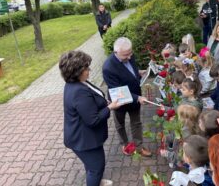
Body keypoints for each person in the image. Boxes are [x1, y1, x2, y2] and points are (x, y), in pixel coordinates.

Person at [59, 50, 121, 186]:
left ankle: (95, 180)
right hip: (84, 140)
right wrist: (110, 107)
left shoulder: (78, 83)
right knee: (96, 168)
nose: (89, 70)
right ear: (77, 71)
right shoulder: (79, 91)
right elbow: (93, 120)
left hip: (82, 136)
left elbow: (93, 99)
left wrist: (105, 103)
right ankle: (95, 180)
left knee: (91, 165)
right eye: (86, 68)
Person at [102, 37, 152, 157]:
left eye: (130, 53)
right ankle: (124, 144)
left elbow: (130, 70)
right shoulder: (108, 67)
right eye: (125, 55)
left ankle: (139, 146)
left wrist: (138, 72)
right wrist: (138, 98)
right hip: (120, 100)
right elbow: (118, 90)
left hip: (134, 95)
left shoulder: (129, 55)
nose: (129, 57)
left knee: (136, 123)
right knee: (120, 123)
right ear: (116, 52)